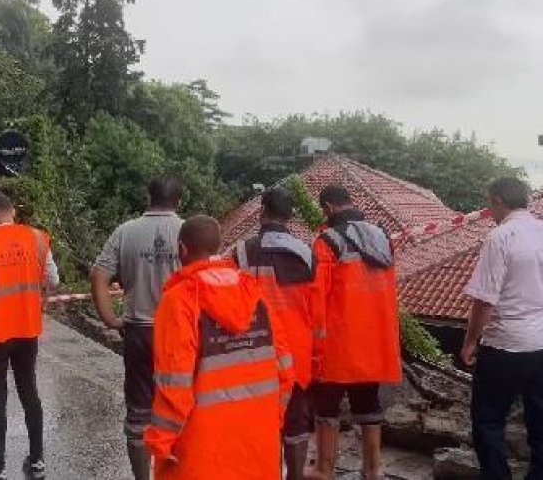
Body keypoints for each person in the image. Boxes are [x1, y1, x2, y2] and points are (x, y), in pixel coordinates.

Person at [144, 215, 295, 479]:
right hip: (257, 442)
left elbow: (174, 384)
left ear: (182, 249)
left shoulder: (179, 300)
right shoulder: (254, 295)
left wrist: (160, 441)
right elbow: (284, 368)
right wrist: (273, 418)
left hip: (201, 449)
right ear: (217, 247)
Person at [89, 175, 184, 480]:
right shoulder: (188, 231)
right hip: (181, 333)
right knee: (183, 408)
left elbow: (98, 275)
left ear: (148, 198)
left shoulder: (126, 231)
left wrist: (110, 319)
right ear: (178, 201)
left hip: (139, 331)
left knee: (139, 412)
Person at [309, 186, 401, 480]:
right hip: (375, 338)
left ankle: (324, 469)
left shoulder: (327, 240)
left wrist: (315, 340)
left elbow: (317, 294)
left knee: (327, 406)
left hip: (339, 340)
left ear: (327, 207)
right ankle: (373, 469)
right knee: (368, 403)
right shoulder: (382, 237)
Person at [0, 192, 59, 480]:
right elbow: (53, 280)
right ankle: (37, 459)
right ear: (13, 210)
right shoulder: (38, 238)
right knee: (29, 389)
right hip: (27, 328)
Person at [460, 177, 543, 480]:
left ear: (497, 201)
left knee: (488, 422)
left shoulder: (501, 236)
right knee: (539, 423)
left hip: (505, 344)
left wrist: (470, 341)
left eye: (489, 203)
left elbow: (484, 301)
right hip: (541, 344)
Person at [234, 187, 316, 480]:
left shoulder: (242, 252)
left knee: (259, 423)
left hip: (255, 353)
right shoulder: (308, 253)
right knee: (296, 424)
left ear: (261, 212)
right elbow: (316, 306)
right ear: (291, 216)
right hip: (296, 354)